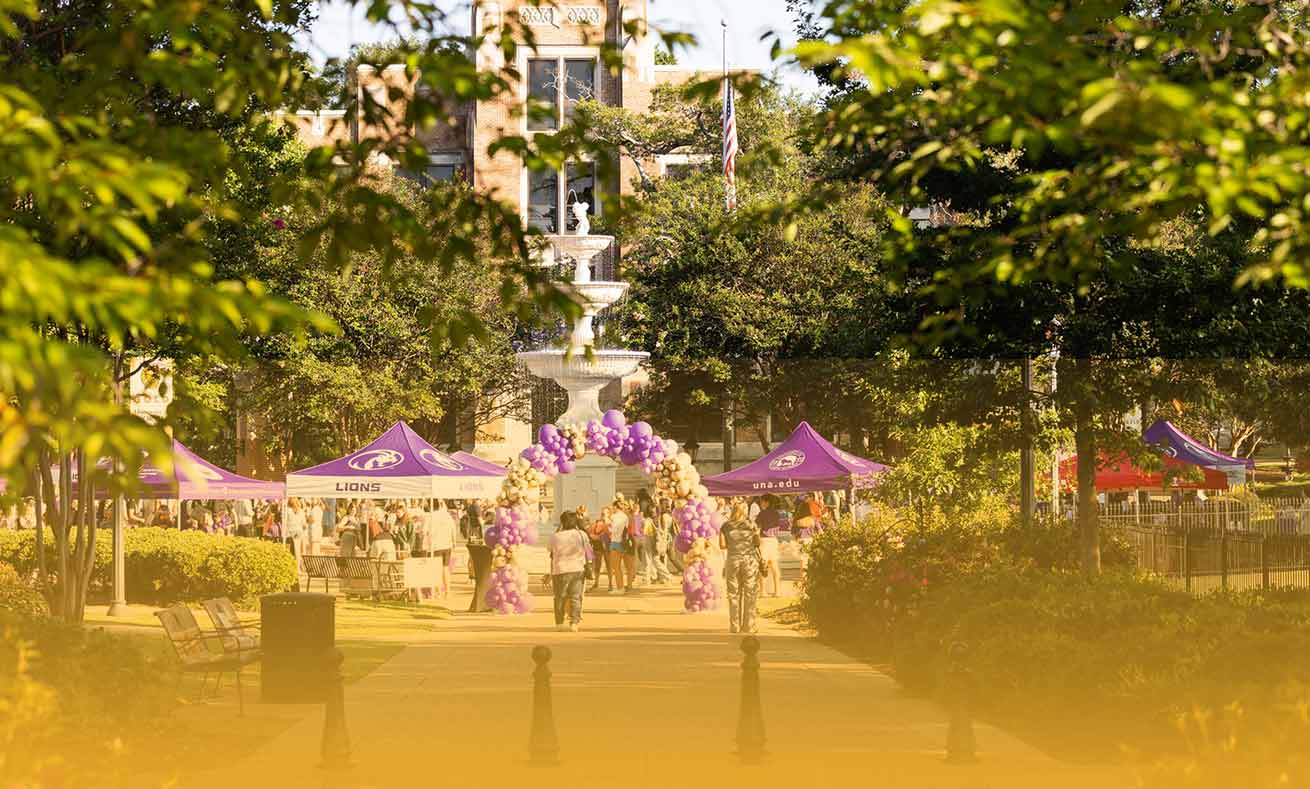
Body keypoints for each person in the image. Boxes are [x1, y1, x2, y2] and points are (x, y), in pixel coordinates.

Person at [720, 500, 762, 634]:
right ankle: (749, 625)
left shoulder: (725, 526)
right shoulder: (751, 525)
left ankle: (734, 626)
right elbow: (757, 543)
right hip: (749, 560)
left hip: (733, 559)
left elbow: (722, 545)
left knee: (733, 593)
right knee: (750, 592)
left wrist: (733, 542)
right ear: (745, 511)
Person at [549, 511, 592, 632]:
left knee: (559, 597)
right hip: (577, 568)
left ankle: (559, 623)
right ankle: (574, 622)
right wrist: (589, 564)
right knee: (575, 597)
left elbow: (550, 551)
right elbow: (589, 552)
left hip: (560, 569)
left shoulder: (556, 536)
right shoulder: (581, 534)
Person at [426, 500, 457, 599]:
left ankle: (438, 592)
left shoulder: (430, 516)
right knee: (445, 568)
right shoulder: (447, 515)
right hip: (447, 544)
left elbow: (424, 531)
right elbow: (453, 529)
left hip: (435, 546)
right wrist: (454, 541)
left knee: (436, 569)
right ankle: (447, 591)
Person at [756, 496, 782, 597]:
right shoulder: (776, 514)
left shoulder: (762, 513)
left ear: (767, 502)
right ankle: (777, 591)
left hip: (764, 540)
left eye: (762, 501)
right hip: (774, 540)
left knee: (763, 566)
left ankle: (763, 591)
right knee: (774, 566)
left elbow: (757, 527)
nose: (761, 503)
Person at [606, 503, 630, 594]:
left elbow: (614, 530)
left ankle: (620, 588)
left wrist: (608, 527)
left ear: (615, 507)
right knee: (618, 567)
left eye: (613, 507)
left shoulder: (615, 516)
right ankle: (620, 587)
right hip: (622, 542)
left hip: (615, 541)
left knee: (616, 567)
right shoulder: (625, 516)